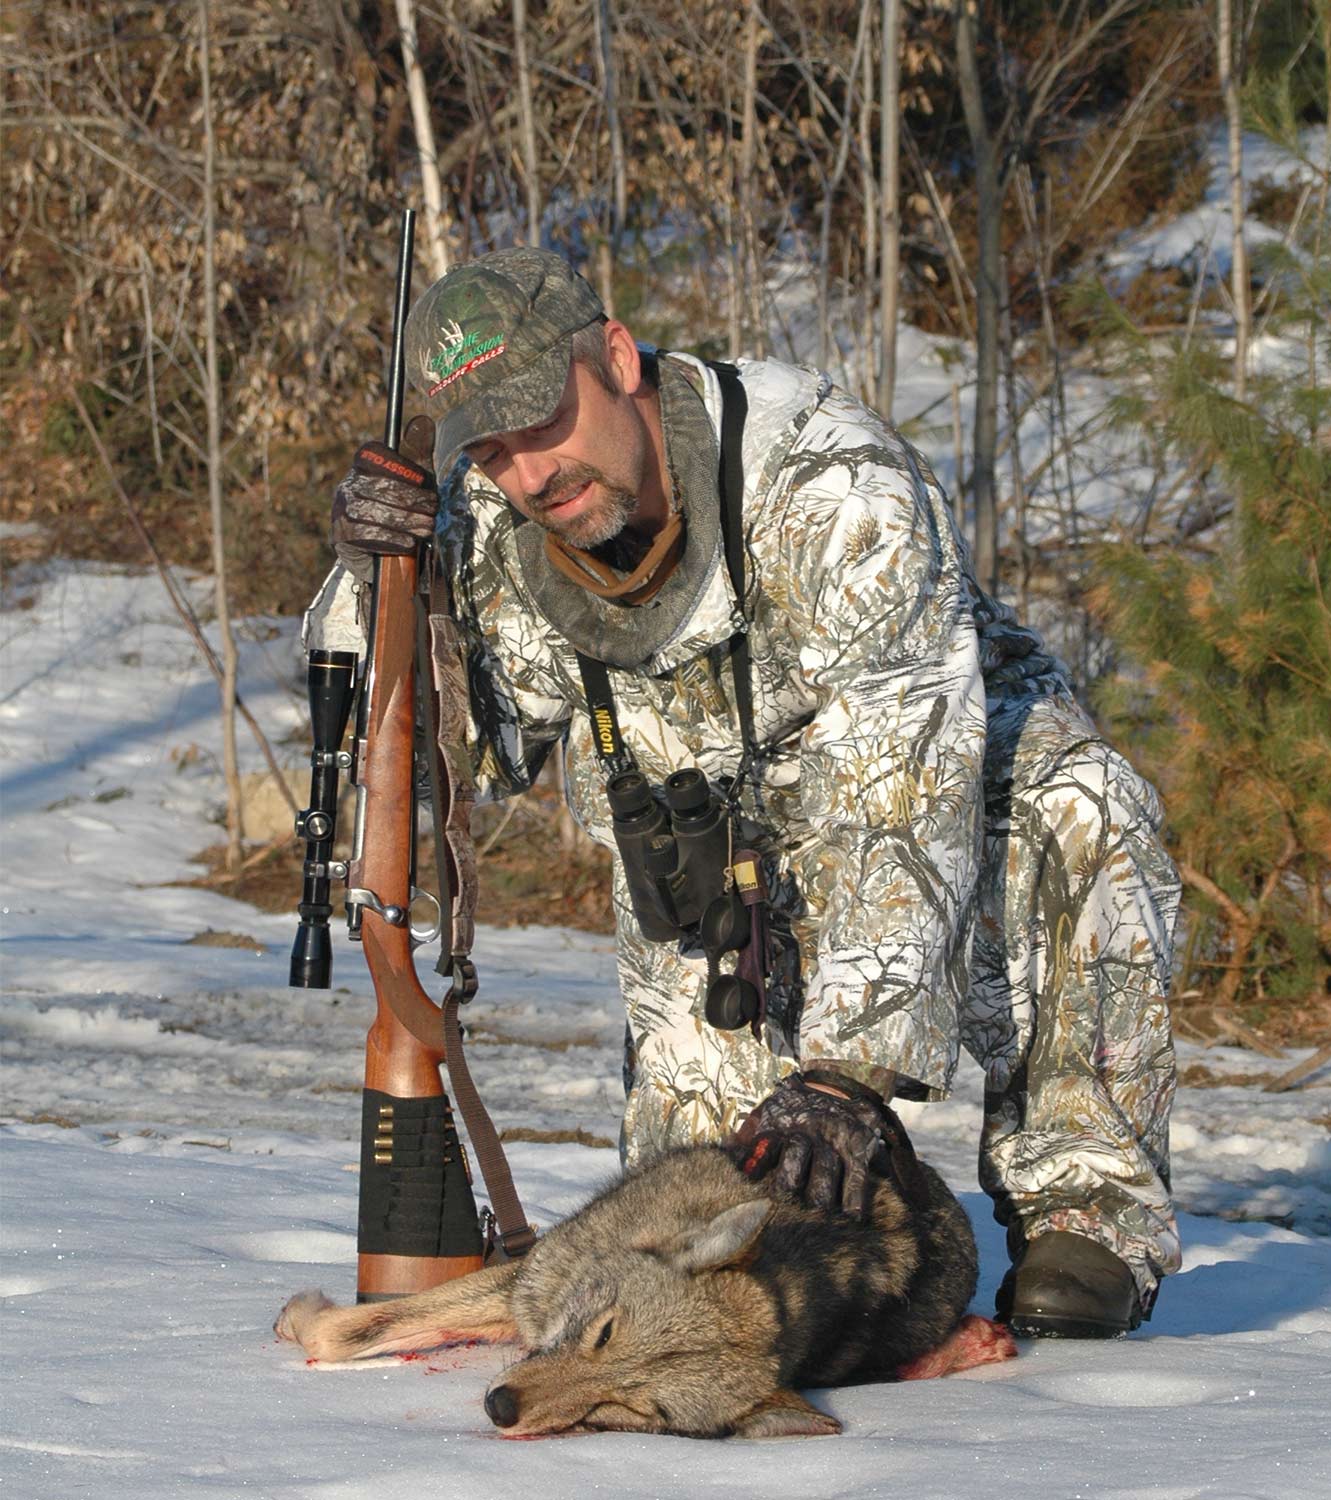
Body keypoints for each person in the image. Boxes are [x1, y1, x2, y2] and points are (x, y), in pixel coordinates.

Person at [308, 247, 1182, 1339]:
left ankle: (1085, 1213)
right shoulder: (496, 533)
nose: (529, 475)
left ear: (617, 356)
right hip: (716, 877)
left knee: (1081, 807)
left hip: (950, 800)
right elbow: (460, 759)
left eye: (541, 421)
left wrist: (852, 1075)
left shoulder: (830, 480)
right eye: (488, 451)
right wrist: (372, 585)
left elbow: (903, 788)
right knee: (713, 1240)